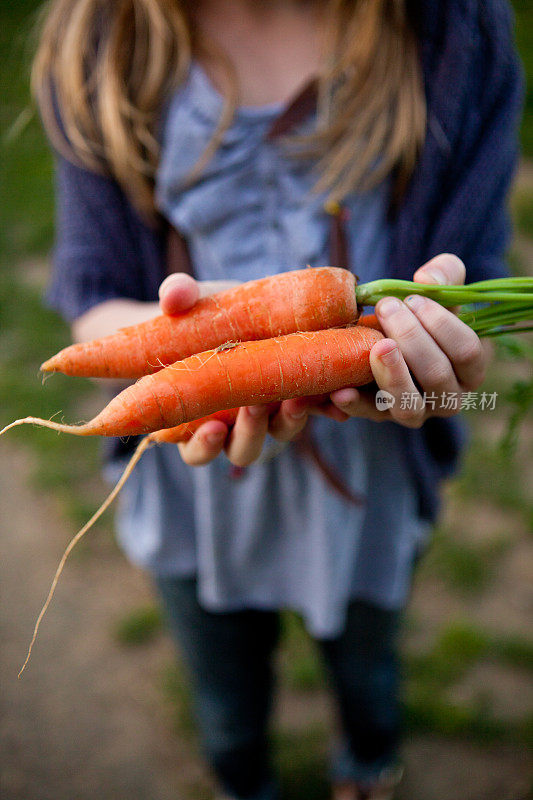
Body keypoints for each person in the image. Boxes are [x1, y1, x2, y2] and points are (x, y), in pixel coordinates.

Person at [32, 1, 523, 798]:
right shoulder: (100, 41)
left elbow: (465, 278)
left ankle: (368, 767)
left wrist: (439, 345)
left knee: (365, 668)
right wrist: (199, 352)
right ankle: (241, 779)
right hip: (196, 501)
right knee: (224, 701)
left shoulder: (454, 31)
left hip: (367, 487)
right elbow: (97, 296)